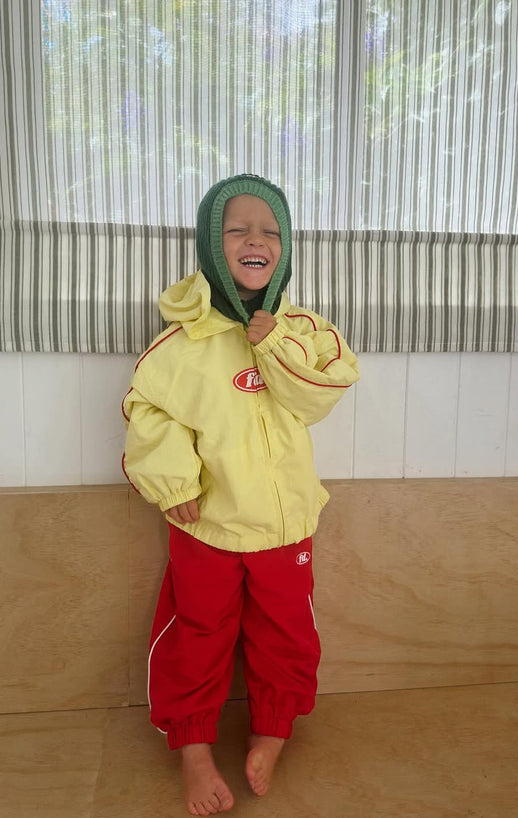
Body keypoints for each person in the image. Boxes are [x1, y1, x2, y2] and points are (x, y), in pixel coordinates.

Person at [122, 174, 360, 816]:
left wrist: (271, 340)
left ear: (286, 247)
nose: (256, 240)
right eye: (237, 229)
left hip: (285, 526)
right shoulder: (182, 344)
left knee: (287, 633)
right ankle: (194, 749)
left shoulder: (304, 330)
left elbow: (320, 394)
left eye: (271, 231)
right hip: (207, 524)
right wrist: (173, 480)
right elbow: (148, 409)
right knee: (197, 634)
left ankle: (272, 732)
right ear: (210, 243)